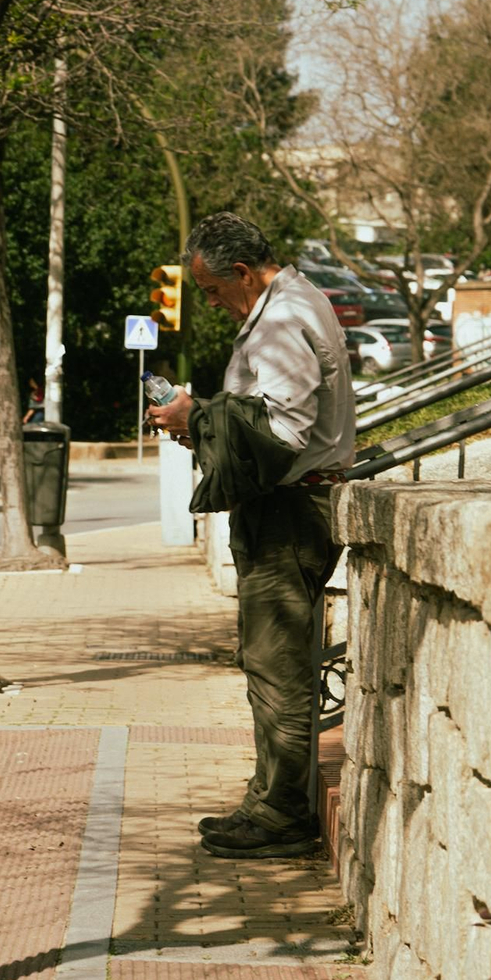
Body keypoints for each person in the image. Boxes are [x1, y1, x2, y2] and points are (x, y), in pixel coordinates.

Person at [147, 212, 354, 860]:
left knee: (276, 667)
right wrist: (204, 422)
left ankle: (280, 812)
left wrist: (197, 415)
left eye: (212, 291)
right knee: (271, 664)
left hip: (290, 511)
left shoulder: (283, 321)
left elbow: (284, 433)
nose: (210, 304)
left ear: (241, 272)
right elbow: (270, 420)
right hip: (291, 506)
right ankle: (268, 798)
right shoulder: (291, 305)